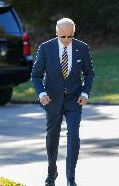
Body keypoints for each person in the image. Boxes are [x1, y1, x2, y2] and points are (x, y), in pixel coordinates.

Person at [31, 18, 95, 186]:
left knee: (73, 136)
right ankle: (51, 174)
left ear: (73, 33)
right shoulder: (45, 48)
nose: (67, 40)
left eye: (70, 36)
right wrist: (41, 94)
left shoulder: (82, 48)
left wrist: (85, 93)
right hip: (52, 100)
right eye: (63, 37)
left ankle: (70, 179)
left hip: (74, 100)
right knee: (52, 137)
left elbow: (89, 74)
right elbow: (36, 76)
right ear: (56, 33)